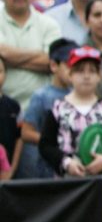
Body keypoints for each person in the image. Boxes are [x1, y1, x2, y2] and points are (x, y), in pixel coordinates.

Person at [38, 46, 102, 176]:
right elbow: (45, 146)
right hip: (67, 183)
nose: (86, 76)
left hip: (99, 182)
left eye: (92, 71)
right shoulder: (58, 109)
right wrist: (66, 162)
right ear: (70, 74)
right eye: (80, 71)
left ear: (99, 76)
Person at [0, 0, 61, 112]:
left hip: (40, 112)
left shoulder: (49, 24)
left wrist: (7, 58)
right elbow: (46, 61)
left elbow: (54, 63)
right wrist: (38, 55)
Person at [16, 38, 75, 179]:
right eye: (69, 65)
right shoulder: (41, 96)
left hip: (73, 166)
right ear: (54, 66)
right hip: (46, 167)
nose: (74, 70)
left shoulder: (79, 94)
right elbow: (26, 133)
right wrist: (55, 142)